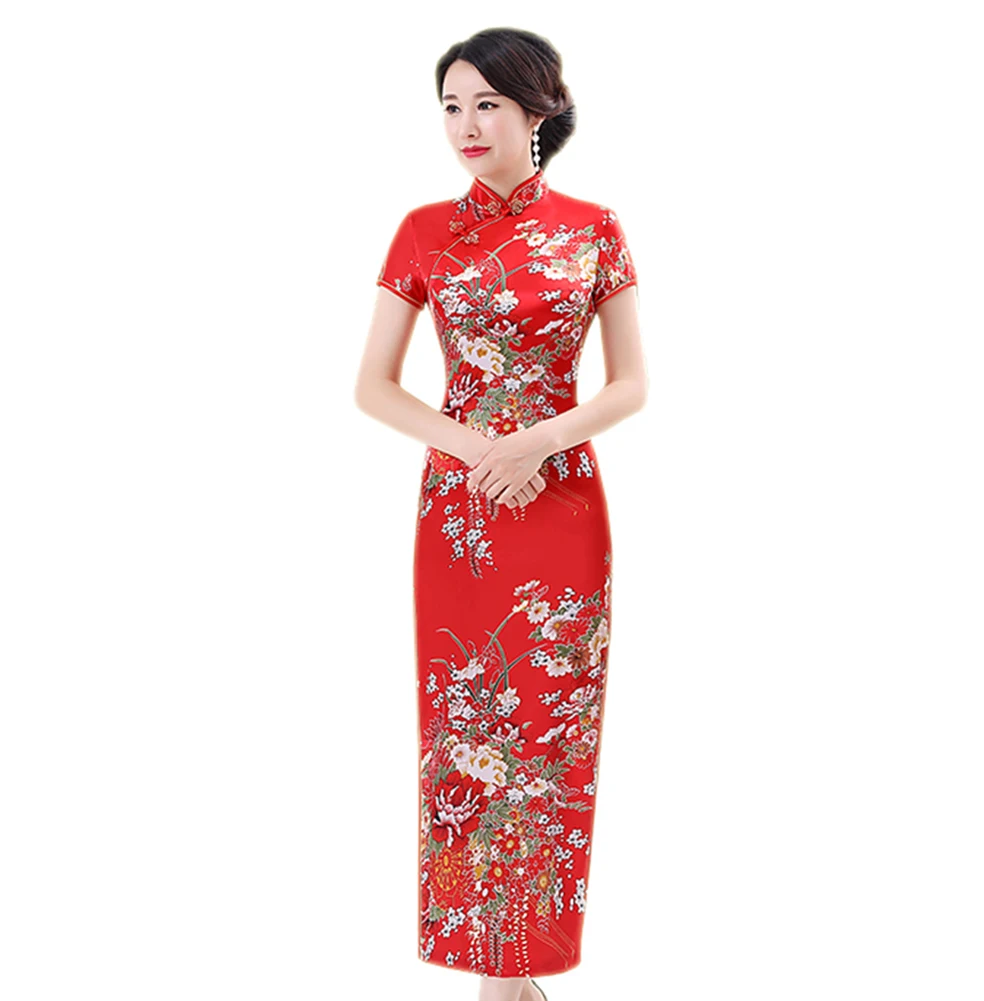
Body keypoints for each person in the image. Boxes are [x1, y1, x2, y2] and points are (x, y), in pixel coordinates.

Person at [355, 27, 647, 1001]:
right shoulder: (420, 230)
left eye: (485, 104)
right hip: (462, 512)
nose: (465, 125)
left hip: (562, 508)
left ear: (537, 110)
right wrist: (485, 449)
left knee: (552, 737)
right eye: (450, 106)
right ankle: (504, 981)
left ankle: (511, 980)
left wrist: (539, 442)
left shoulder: (595, 228)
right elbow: (373, 385)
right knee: (464, 732)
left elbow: (630, 384)